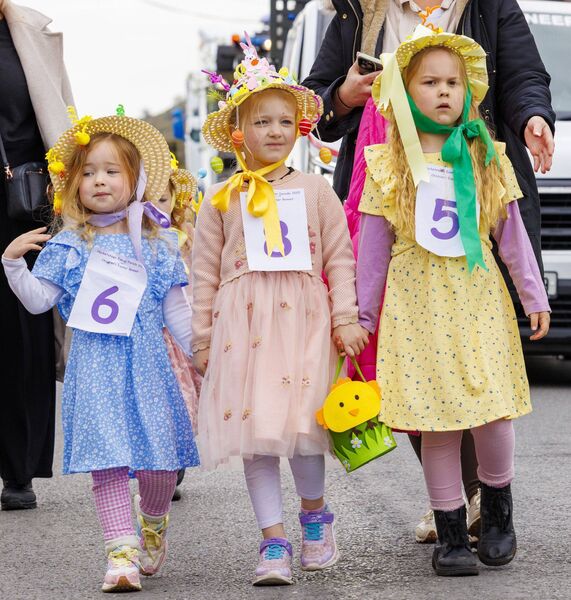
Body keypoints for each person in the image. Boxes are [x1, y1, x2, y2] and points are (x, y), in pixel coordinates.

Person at [303, 0, 556, 542]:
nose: (443, 90)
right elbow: (314, 105)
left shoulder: (489, 6)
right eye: (430, 82)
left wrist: (533, 115)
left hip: (466, 184)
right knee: (418, 369)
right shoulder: (357, 10)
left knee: (482, 382)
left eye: (451, 82)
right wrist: (346, 93)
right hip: (394, 203)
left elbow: (526, 74)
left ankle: (488, 500)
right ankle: (454, 507)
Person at [193, 34, 368, 586]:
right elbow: (203, 273)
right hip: (242, 328)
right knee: (257, 430)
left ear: (299, 130)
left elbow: (340, 259)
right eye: (262, 121)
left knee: (302, 427)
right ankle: (273, 541)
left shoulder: (317, 191)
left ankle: (316, 520)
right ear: (239, 132)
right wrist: (201, 336)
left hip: (305, 325)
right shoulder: (222, 198)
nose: (274, 131)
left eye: (284, 122)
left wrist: (346, 316)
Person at [1, 110, 199, 593]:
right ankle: (121, 552)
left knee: (158, 465)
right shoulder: (67, 244)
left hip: (149, 367)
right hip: (94, 370)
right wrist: (12, 263)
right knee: (107, 462)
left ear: (137, 179)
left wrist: (205, 353)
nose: (99, 181)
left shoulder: (156, 243)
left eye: (112, 171)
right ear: (72, 185)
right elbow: (39, 301)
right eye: (88, 173)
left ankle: (151, 523)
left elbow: (177, 311)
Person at [0, 0, 74, 510]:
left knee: (22, 330)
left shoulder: (27, 32)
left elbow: (62, 120)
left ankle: (18, 468)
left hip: (20, 201)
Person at [156, 160, 202, 501]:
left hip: (178, 328)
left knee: (181, 396)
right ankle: (161, 460)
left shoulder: (183, 238)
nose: (157, 207)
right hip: (150, 331)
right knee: (157, 397)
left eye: (163, 199)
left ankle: (174, 457)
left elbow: (198, 281)